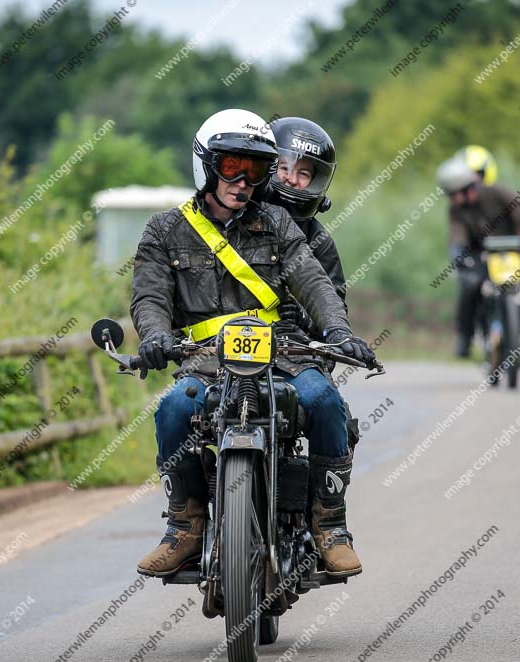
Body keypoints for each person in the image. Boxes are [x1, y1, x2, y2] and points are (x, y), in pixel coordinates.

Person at [131, 109, 376, 581]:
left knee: (324, 400)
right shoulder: (164, 230)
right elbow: (149, 296)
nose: (242, 182)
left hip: (283, 350)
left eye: (256, 170)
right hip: (204, 359)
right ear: (206, 165)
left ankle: (331, 526)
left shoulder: (280, 224)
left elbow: (315, 283)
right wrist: (156, 337)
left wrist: (338, 331)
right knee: (173, 410)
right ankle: (185, 526)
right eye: (230, 168)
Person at [267, 115, 360, 448]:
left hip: (296, 355)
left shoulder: (319, 242)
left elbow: (333, 301)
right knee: (185, 410)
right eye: (284, 167)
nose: (292, 179)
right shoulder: (233, 223)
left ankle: (327, 495)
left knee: (326, 403)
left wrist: (305, 320)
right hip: (228, 354)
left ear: (317, 182)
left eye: (304, 173)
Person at [436, 156, 520, 357]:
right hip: (481, 258)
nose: (451, 199)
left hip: (512, 253)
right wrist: (458, 256)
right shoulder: (456, 210)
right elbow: (457, 236)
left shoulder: (498, 193)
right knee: (470, 285)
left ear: (465, 188)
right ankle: (465, 336)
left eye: (453, 194)